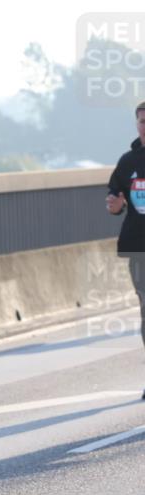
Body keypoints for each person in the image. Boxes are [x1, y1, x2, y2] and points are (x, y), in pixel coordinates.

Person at [106, 100, 145, 400]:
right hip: (138, 246)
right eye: (141, 120)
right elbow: (114, 200)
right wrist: (115, 206)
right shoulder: (127, 162)